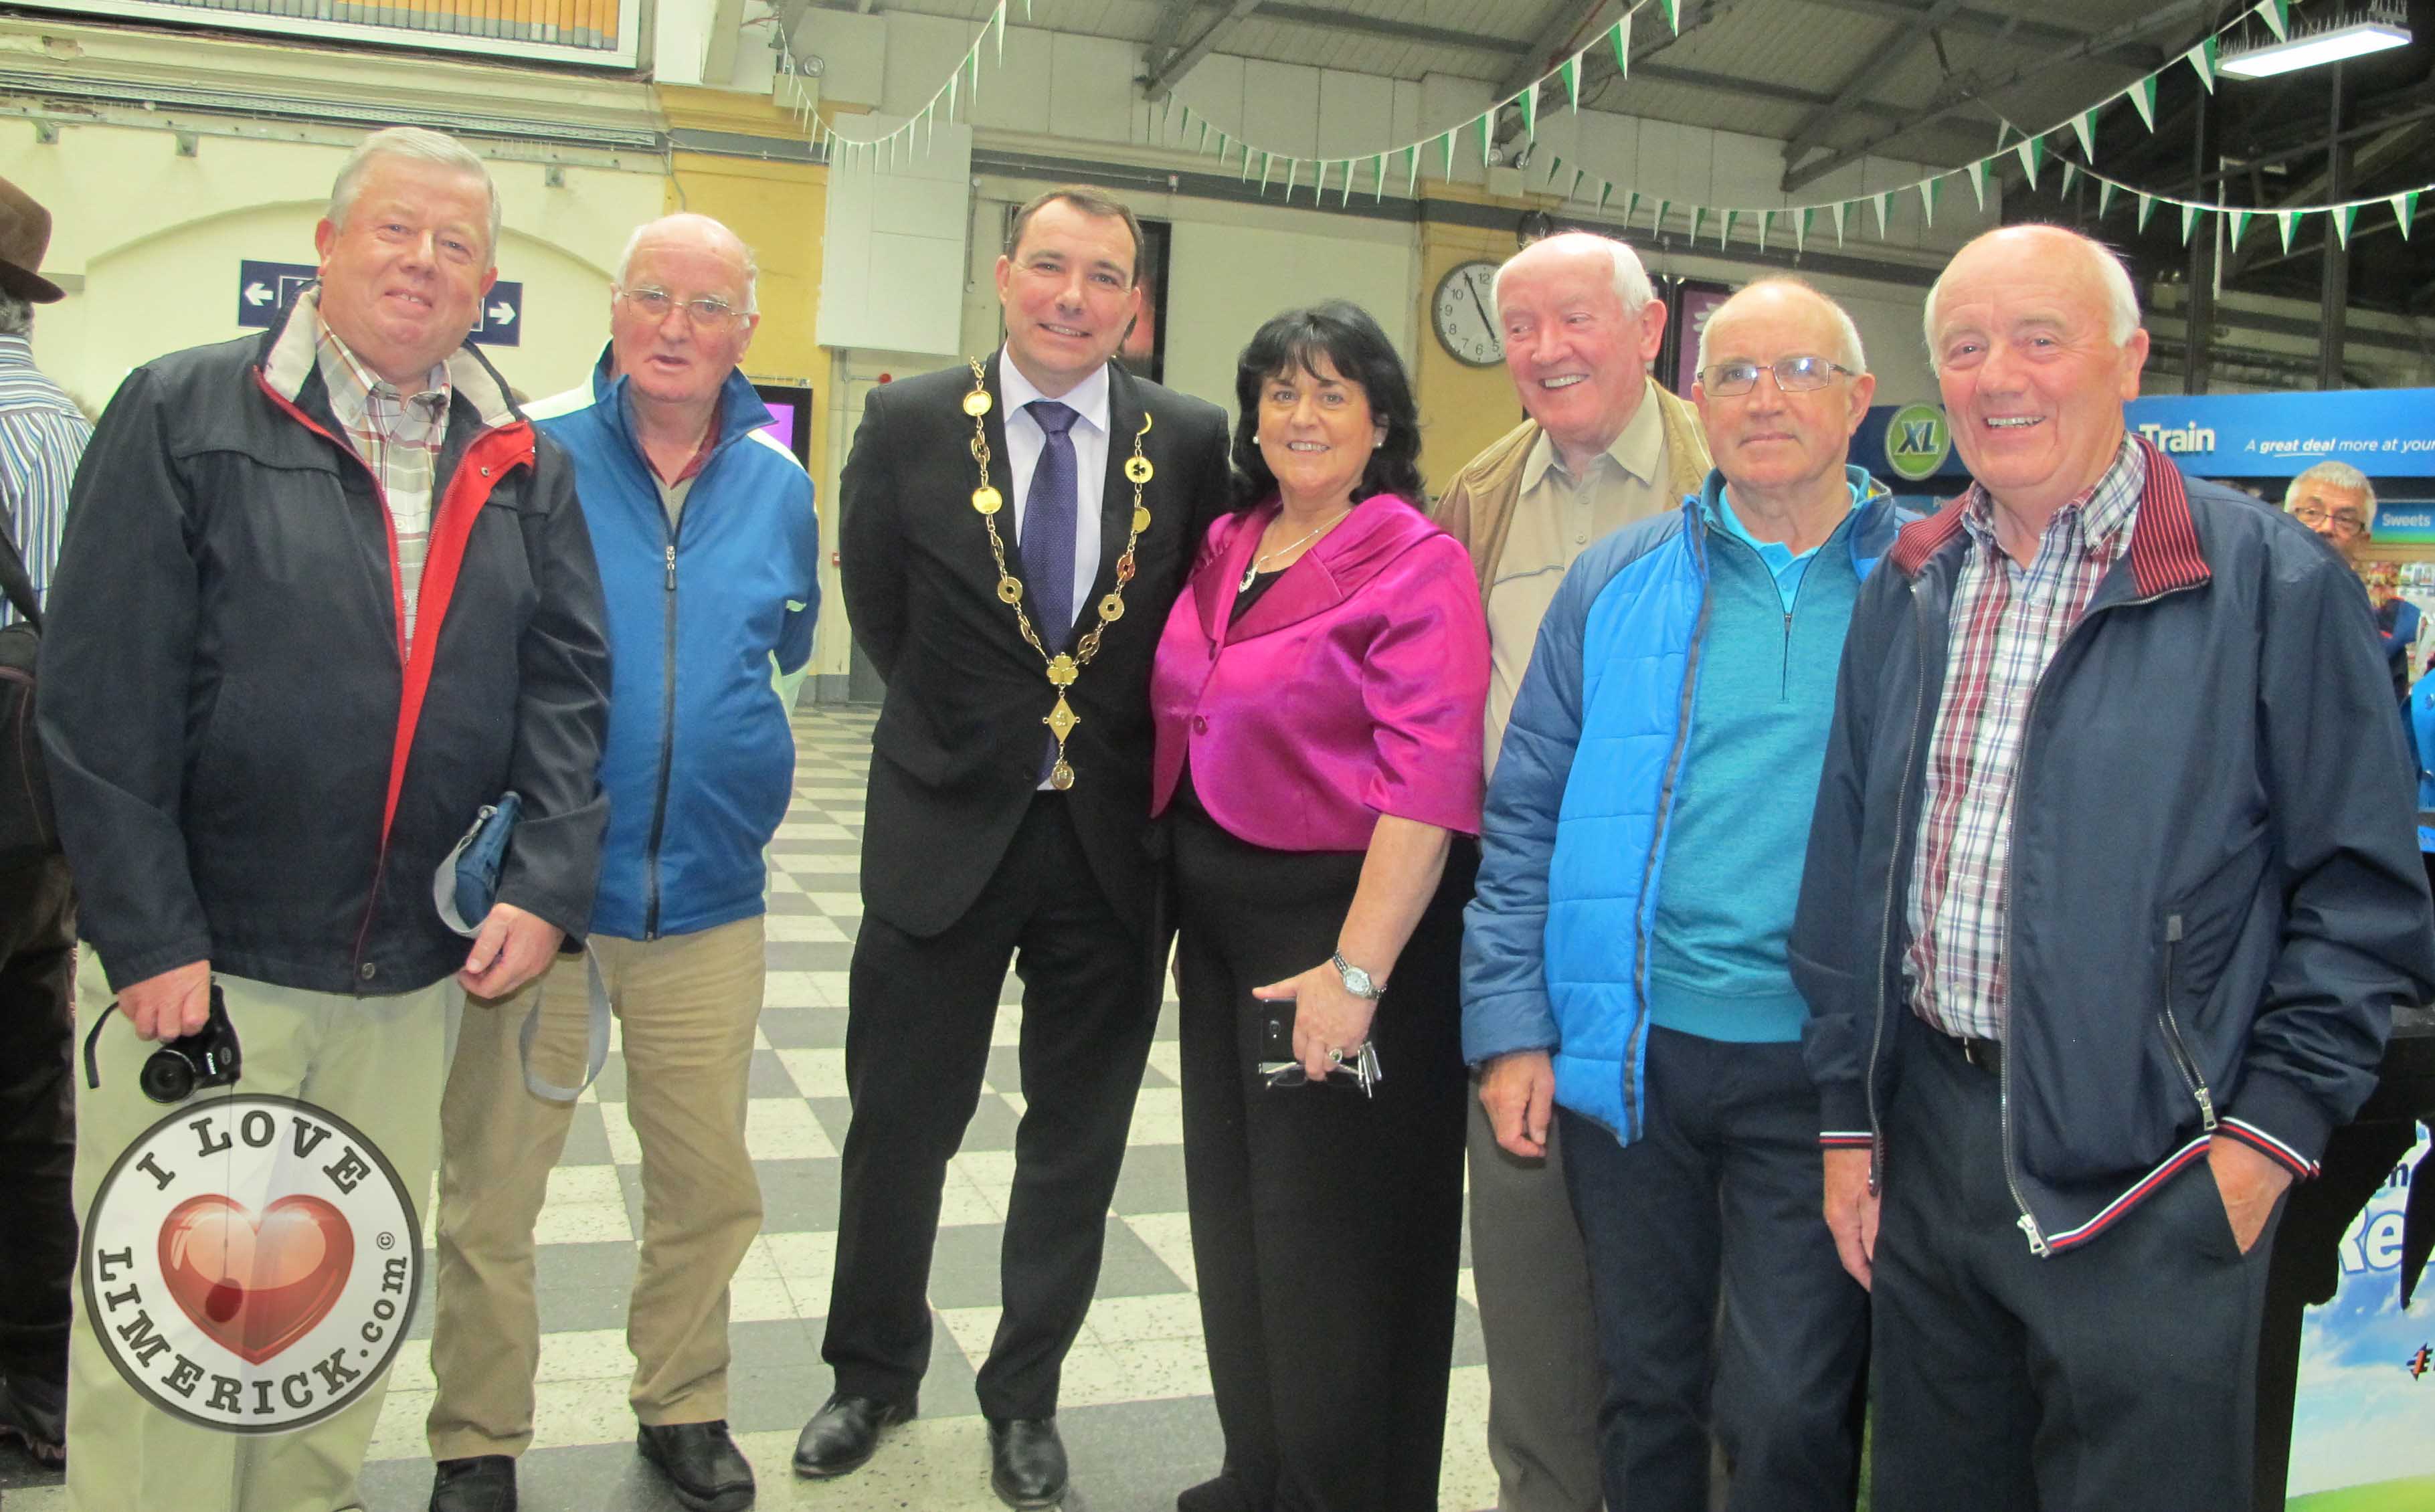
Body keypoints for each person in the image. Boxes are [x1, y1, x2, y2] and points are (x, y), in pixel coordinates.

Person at [1791, 224, 2435, 1511]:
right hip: (1934, 1153)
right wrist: (1851, 1115)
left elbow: (2361, 900)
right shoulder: (1914, 579)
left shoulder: (2269, 587)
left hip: (2159, 1170)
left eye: (2041, 339)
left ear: (2129, 360)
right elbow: (1853, 866)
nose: (1998, 377)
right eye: (1965, 349)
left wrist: (2264, 1140)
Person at [39, 126, 610, 1511]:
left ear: (487, 286)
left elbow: (569, 683)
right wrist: (147, 933)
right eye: (397, 230)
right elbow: (96, 699)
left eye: (457, 246)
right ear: (328, 242)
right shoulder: (183, 412)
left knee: (336, 1296)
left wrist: (542, 877)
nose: (424, 263)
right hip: (207, 967)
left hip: (406, 976)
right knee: (177, 1308)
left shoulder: (523, 458)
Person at [798, 185, 1231, 1509]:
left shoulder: (1191, 435)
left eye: (1104, 276)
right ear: (1002, 274)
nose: (1072, 296)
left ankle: (1024, 1391)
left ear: (1133, 305)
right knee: (900, 1120)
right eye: (1050, 265)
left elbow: (1193, 621)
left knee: (1076, 1139)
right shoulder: (910, 418)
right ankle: (870, 1369)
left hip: (1108, 845)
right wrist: (966, 731)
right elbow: (877, 601)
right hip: (942, 825)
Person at [1464, 277, 1888, 1512]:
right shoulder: (1615, 580)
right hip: (1635, 1063)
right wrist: (1510, 1031)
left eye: (1801, 372)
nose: (1766, 399)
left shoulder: (1925, 582)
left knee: (1793, 1404)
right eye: (1738, 374)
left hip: (1823, 1075)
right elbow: (1525, 817)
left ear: (1859, 402)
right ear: (1696, 399)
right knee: (1644, 1388)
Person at [424, 212, 818, 1512]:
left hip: (706, 897)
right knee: (495, 1190)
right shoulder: (532, 456)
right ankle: (476, 1435)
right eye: (653, 296)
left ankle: (684, 1402)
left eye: (707, 306)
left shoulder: (778, 482)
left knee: (706, 1182)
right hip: (539, 894)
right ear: (613, 307)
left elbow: (788, 644)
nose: (675, 326)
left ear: (744, 332)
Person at [1150, 300, 1488, 1512]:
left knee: (1332, 1244)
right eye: (1281, 392)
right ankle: (1262, 1469)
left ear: (1382, 419)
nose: (1302, 416)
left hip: (1344, 930)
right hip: (1224, 928)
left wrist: (1355, 976)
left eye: (1333, 393)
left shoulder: (1413, 556)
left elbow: (1431, 785)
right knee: (1240, 1216)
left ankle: (1344, 1489)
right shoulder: (1233, 541)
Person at [1429, 227, 1710, 1512]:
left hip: (1699, 956)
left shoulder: (1738, 476)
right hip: (1531, 934)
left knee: (1692, 1316)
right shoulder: (1477, 498)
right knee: (1535, 1295)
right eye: (1520, 328)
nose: (1543, 352)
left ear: (1652, 334)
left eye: (1575, 322)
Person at [0, 172, 91, 1473]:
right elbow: (96, 665)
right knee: (26, 1109)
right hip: (24, 826)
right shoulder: (59, 428)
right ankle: (34, 1386)